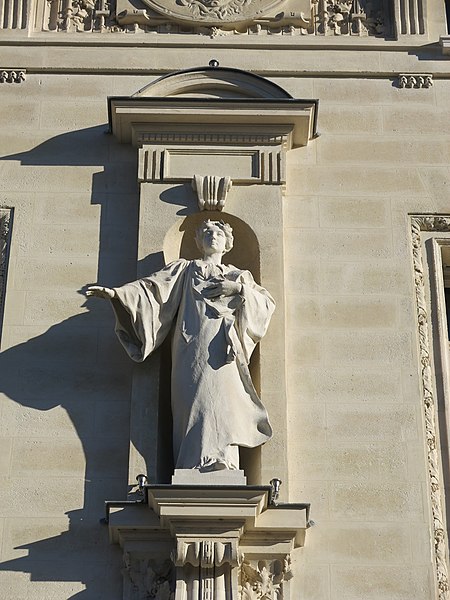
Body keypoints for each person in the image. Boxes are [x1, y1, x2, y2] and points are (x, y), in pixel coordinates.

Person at [86, 220, 274, 472]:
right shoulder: (184, 269)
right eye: (206, 232)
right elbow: (153, 290)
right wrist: (117, 295)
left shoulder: (238, 275)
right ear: (197, 241)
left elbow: (265, 305)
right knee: (195, 401)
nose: (212, 236)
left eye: (218, 233)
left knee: (222, 402)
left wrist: (238, 289)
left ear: (228, 243)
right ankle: (193, 462)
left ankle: (223, 461)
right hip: (190, 348)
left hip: (224, 351)